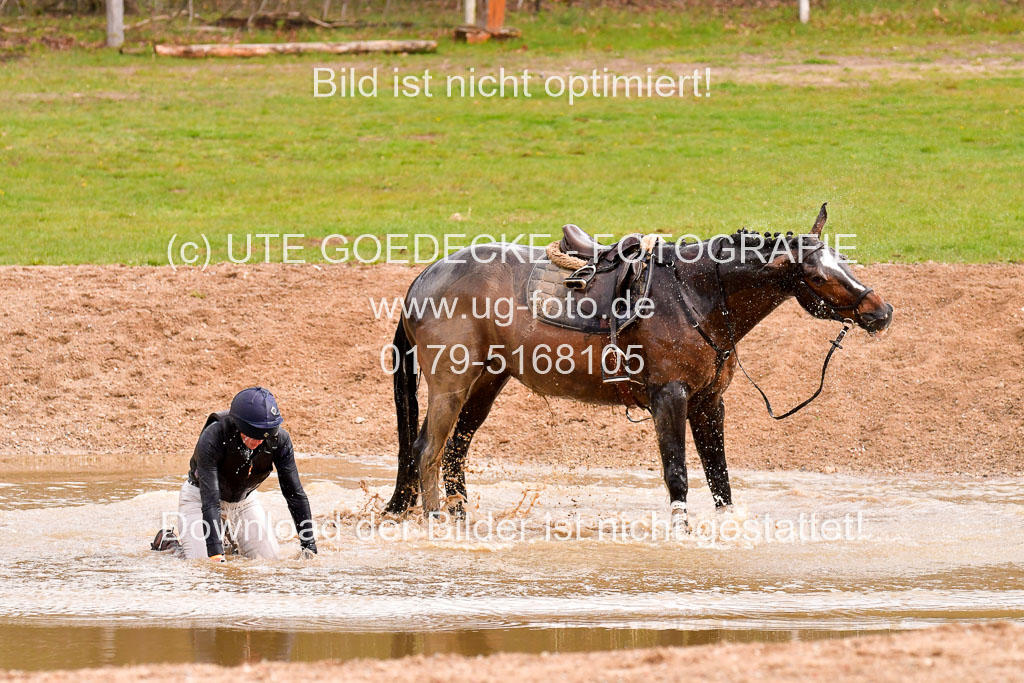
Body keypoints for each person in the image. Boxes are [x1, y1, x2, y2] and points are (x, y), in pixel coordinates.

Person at [152, 387, 317, 562]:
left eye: (262, 436)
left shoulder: (280, 440)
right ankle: (169, 543)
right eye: (252, 434)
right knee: (205, 564)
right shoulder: (213, 436)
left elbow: (295, 494)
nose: (257, 441)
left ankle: (230, 542)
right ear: (238, 424)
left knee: (269, 562)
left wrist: (309, 546)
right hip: (200, 498)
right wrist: (216, 554)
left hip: (243, 501)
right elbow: (210, 500)